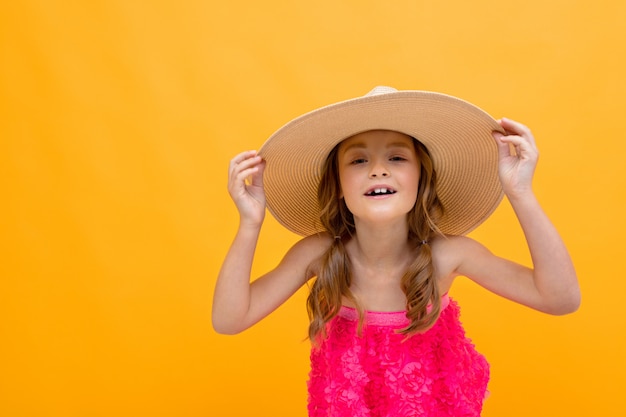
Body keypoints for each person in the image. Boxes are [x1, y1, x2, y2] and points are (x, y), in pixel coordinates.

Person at [212, 86, 580, 416]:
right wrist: (249, 224)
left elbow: (560, 298)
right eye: (358, 160)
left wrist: (521, 193)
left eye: (397, 158)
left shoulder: (446, 255)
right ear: (338, 184)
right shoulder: (319, 253)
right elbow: (229, 320)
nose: (377, 170)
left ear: (421, 178)